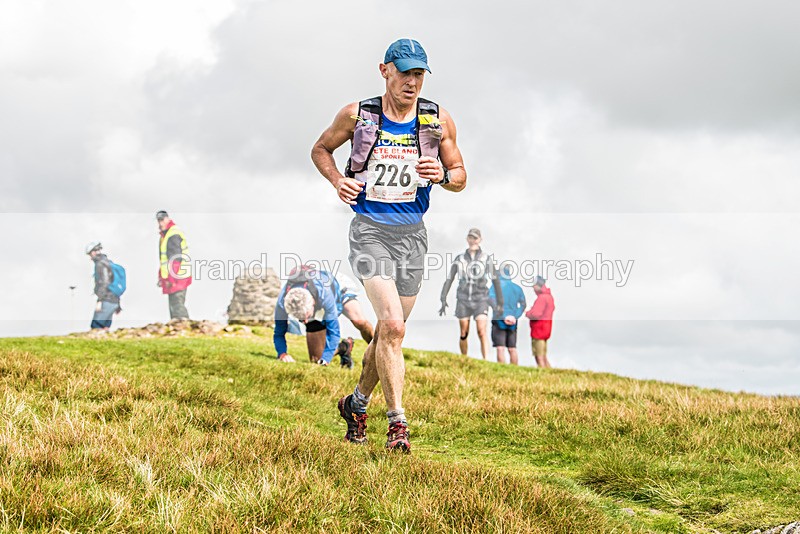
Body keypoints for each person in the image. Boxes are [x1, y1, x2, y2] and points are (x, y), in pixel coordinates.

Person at [311, 38, 466, 452]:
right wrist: (336, 180)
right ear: (385, 71)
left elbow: (460, 175)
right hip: (369, 230)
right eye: (405, 73)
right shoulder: (357, 115)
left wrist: (441, 176)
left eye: (419, 74)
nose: (412, 82)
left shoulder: (437, 120)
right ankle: (397, 424)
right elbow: (321, 148)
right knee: (394, 326)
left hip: (413, 235)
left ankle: (356, 403)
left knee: (386, 335)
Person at [273, 267, 374, 365]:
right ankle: (345, 346)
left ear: (312, 302)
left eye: (307, 316)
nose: (305, 322)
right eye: (301, 319)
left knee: (359, 321)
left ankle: (378, 349)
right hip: (316, 302)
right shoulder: (283, 303)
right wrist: (282, 354)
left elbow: (334, 332)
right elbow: (278, 332)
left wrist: (326, 358)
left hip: (337, 286)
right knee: (316, 359)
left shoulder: (325, 294)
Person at [439, 228, 503, 360]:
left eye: (475, 238)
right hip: (463, 299)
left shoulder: (486, 259)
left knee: (481, 330)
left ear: (480, 240)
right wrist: (443, 298)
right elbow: (450, 279)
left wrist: (500, 302)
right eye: (470, 237)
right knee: (464, 332)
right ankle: (464, 359)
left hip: (481, 299)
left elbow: (495, 280)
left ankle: (486, 360)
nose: (473, 240)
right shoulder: (460, 258)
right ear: (467, 239)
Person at [156, 210, 192, 320]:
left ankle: (183, 327)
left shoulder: (173, 234)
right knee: (173, 304)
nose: (160, 223)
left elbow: (176, 259)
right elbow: (164, 260)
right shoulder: (165, 235)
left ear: (167, 219)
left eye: (162, 220)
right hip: (174, 276)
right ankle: (177, 327)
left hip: (178, 276)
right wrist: (162, 277)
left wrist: (171, 279)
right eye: (158, 220)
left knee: (177, 304)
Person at [488, 265, 527, 365]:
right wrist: (515, 316)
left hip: (499, 320)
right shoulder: (517, 288)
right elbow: (523, 305)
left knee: (500, 348)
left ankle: (502, 370)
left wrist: (503, 315)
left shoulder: (495, 287)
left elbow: (491, 300)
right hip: (513, 322)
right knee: (512, 348)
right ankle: (515, 370)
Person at [85, 241, 121, 330]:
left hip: (106, 300)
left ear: (93, 252)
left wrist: (100, 300)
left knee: (96, 326)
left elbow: (105, 283)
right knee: (105, 327)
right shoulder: (107, 262)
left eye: (90, 254)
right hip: (114, 300)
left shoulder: (100, 264)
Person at [525, 276, 555, 368]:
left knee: (539, 356)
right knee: (543, 355)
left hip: (539, 330)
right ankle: (549, 373)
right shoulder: (549, 297)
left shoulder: (542, 298)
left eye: (534, 285)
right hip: (546, 329)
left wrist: (528, 313)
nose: (533, 288)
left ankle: (543, 374)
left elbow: (536, 314)